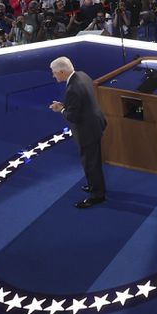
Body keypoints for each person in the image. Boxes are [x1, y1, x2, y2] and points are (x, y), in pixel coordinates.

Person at [49, 56, 107, 209]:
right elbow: (80, 102)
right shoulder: (81, 75)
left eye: (54, 73)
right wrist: (64, 105)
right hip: (94, 124)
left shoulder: (73, 88)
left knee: (90, 163)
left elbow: (73, 116)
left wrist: (61, 109)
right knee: (91, 161)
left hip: (87, 130)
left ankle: (97, 195)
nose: (53, 75)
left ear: (62, 72)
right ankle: (93, 185)